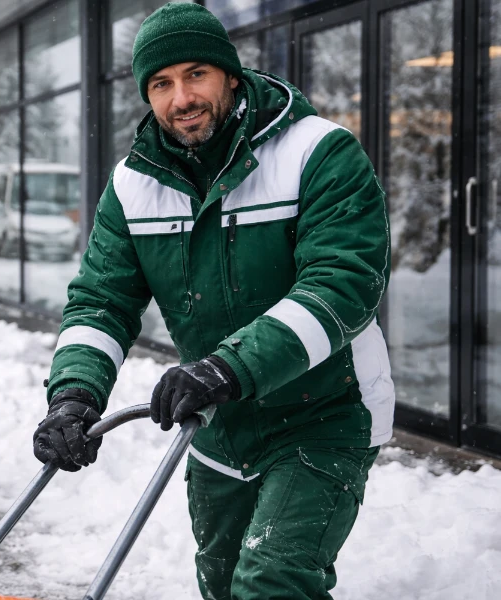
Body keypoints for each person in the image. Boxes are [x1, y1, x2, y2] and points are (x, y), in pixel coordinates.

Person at [32, 4, 394, 598]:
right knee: (224, 583)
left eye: (196, 74)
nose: (182, 98)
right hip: (218, 425)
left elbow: (341, 284)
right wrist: (73, 396)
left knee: (273, 578)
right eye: (161, 84)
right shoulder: (132, 186)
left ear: (230, 74)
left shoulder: (318, 153)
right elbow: (101, 301)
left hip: (324, 412)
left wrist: (230, 366)